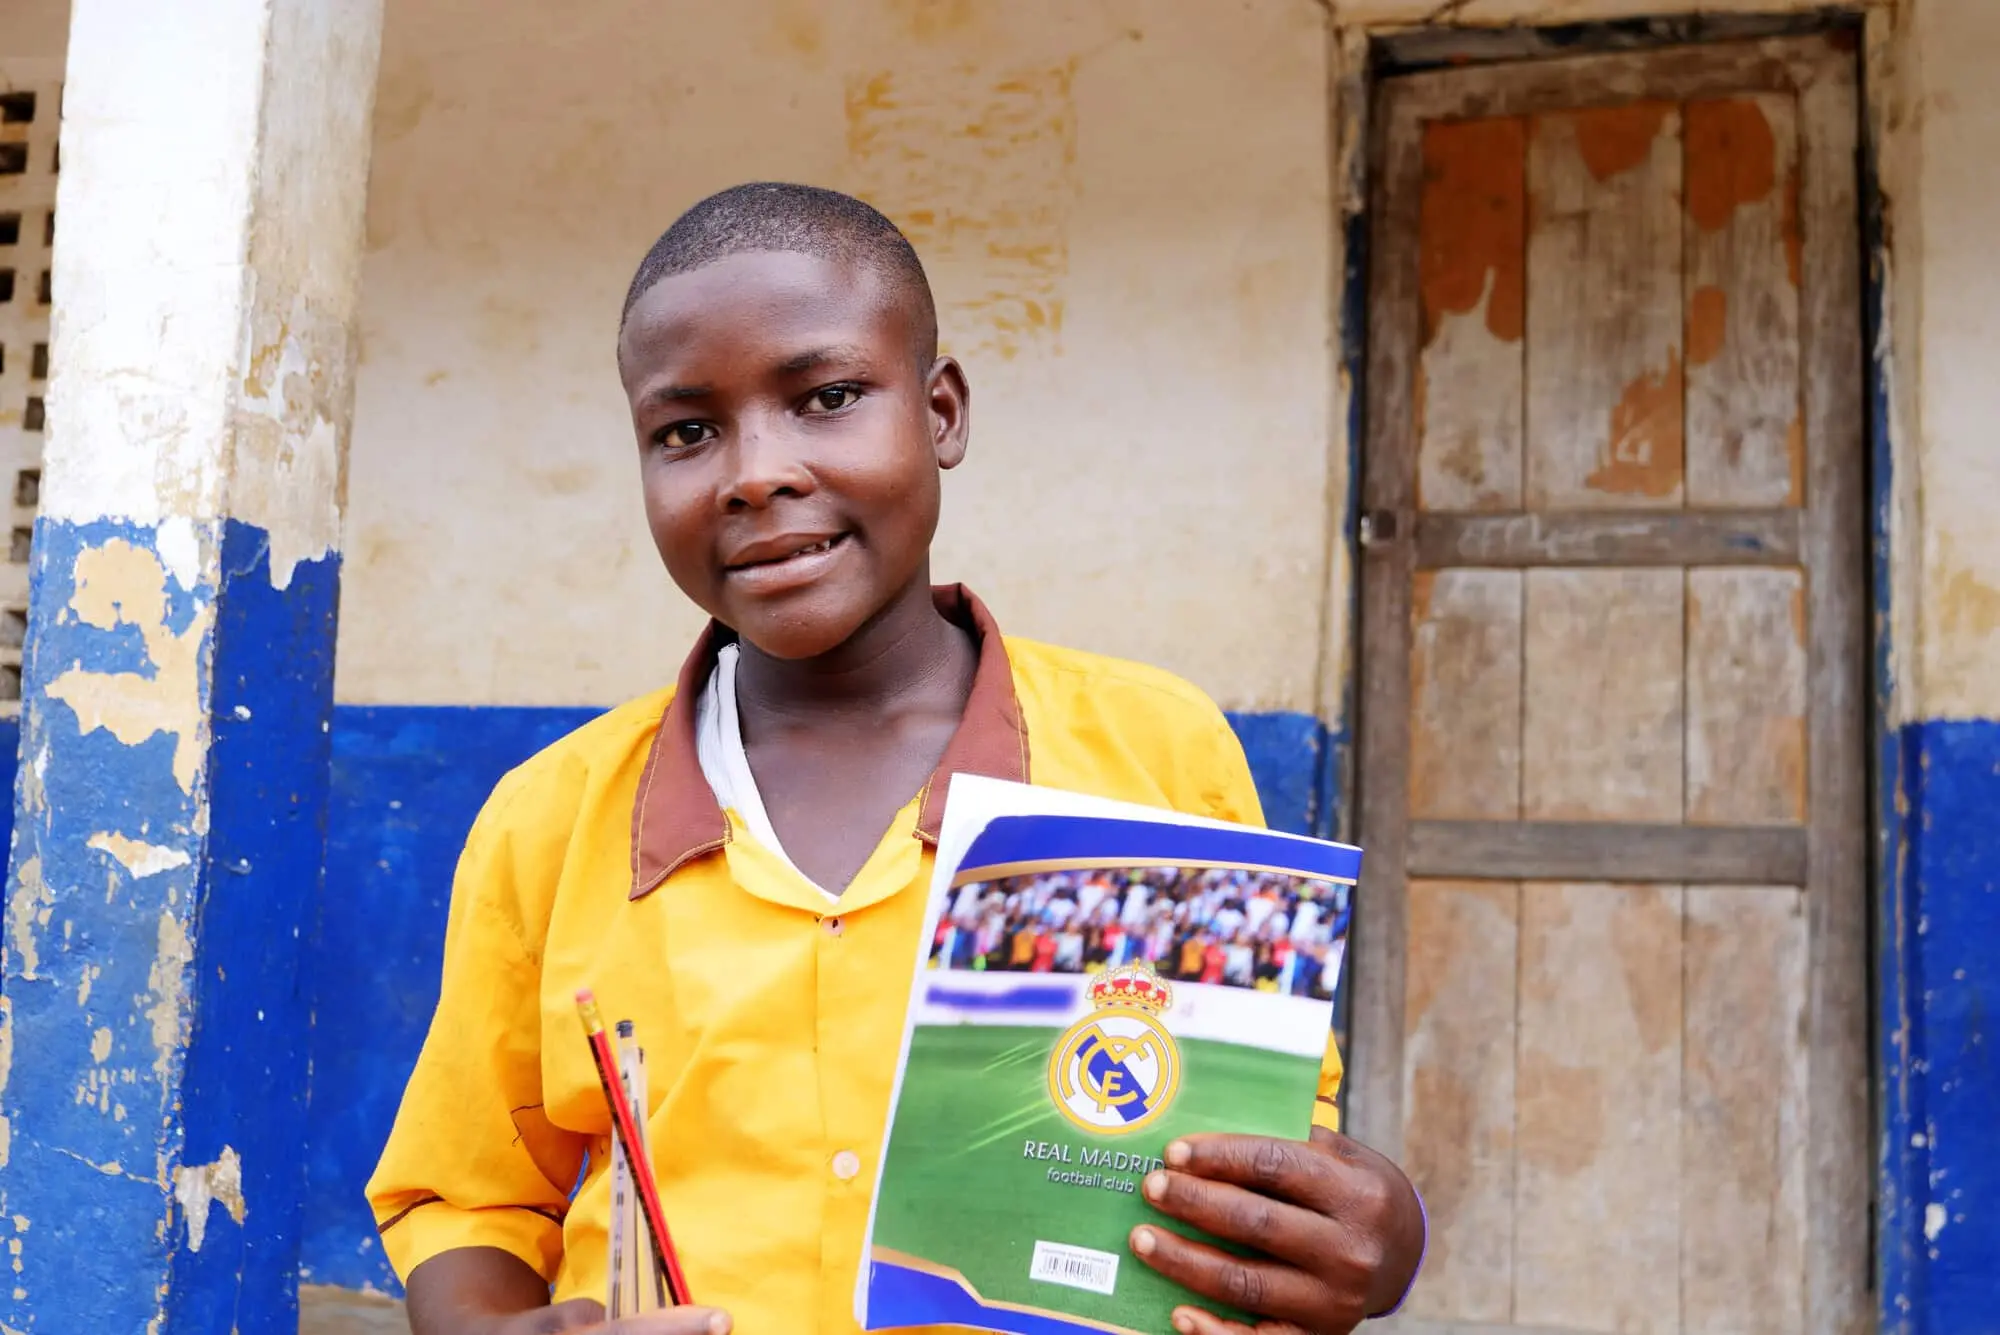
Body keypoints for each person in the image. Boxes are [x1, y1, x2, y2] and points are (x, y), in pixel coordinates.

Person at [366, 182, 1425, 1335]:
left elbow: (1272, 1147)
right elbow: (467, 1197)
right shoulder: (552, 817)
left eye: (825, 398)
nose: (753, 473)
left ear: (941, 413)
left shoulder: (1153, 749)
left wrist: (1381, 1238)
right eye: (685, 432)